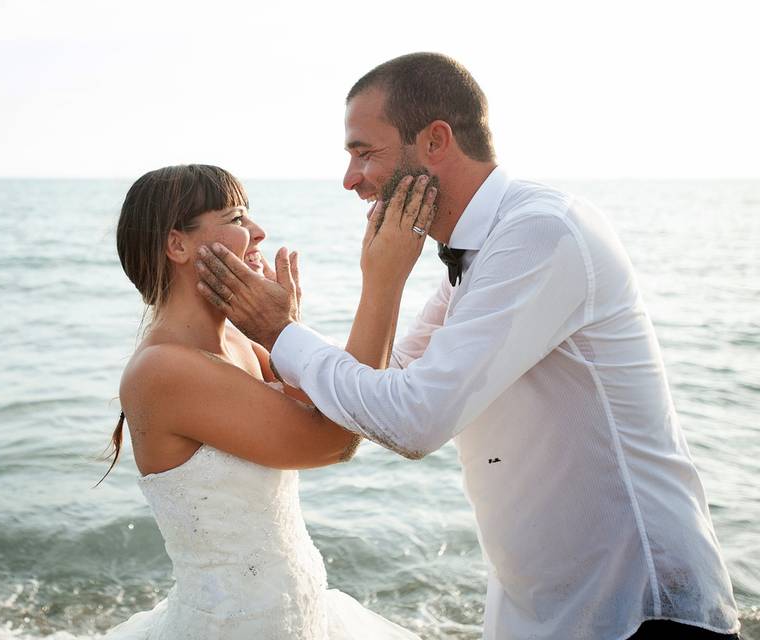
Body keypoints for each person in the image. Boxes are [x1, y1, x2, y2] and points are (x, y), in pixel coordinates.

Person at [195, 53, 741, 639]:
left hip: (641, 611)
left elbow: (414, 421)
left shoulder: (541, 231)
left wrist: (282, 333)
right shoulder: (479, 251)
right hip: (545, 614)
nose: (350, 179)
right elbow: (391, 375)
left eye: (363, 152)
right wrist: (371, 289)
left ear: (435, 141)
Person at [101, 164, 436, 639]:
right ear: (178, 245)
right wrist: (382, 279)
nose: (257, 232)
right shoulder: (163, 369)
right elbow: (336, 442)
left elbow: (342, 404)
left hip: (299, 617)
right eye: (237, 219)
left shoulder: (241, 345)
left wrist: (286, 329)